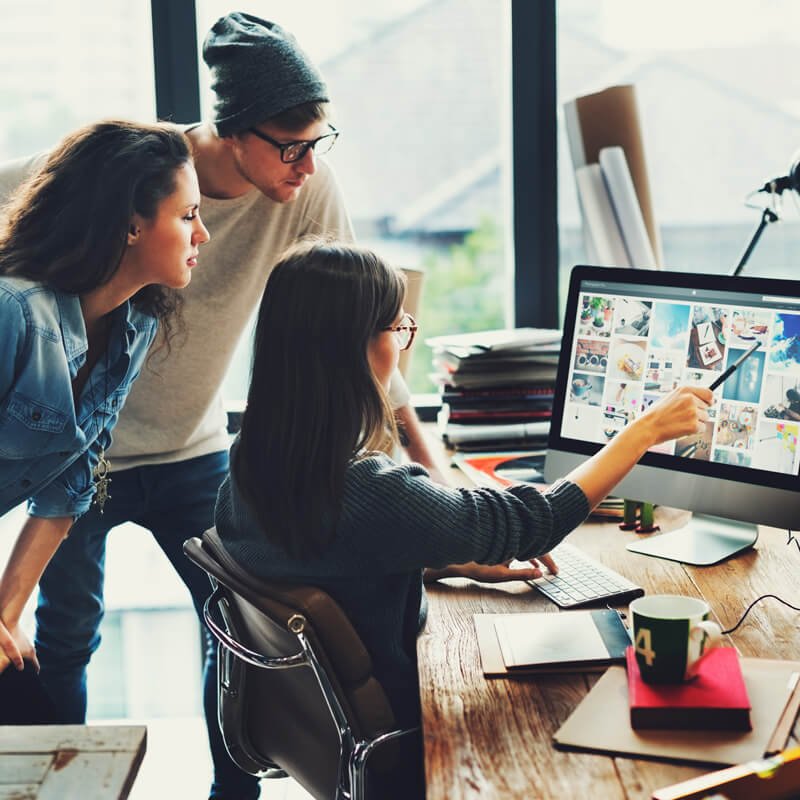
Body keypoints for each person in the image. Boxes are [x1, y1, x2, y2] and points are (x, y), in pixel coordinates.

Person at [0, 12, 455, 799]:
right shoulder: (124, 178)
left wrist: (429, 478)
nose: (308, 165)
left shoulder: (147, 318)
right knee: (65, 636)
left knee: (236, 633)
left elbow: (365, 331)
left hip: (179, 451)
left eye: (321, 142)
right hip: (73, 445)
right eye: (290, 145)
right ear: (232, 132)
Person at [214, 240, 713, 791]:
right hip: (414, 730)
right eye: (397, 328)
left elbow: (321, 555)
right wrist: (644, 430)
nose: (404, 342)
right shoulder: (366, 488)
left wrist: (443, 563)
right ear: (352, 349)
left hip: (328, 735)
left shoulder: (254, 459)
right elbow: (533, 522)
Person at [0, 119, 209, 675]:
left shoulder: (130, 330)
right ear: (130, 226)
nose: (202, 234)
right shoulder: (13, 312)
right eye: (187, 215)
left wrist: (6, 613)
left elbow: (71, 487)